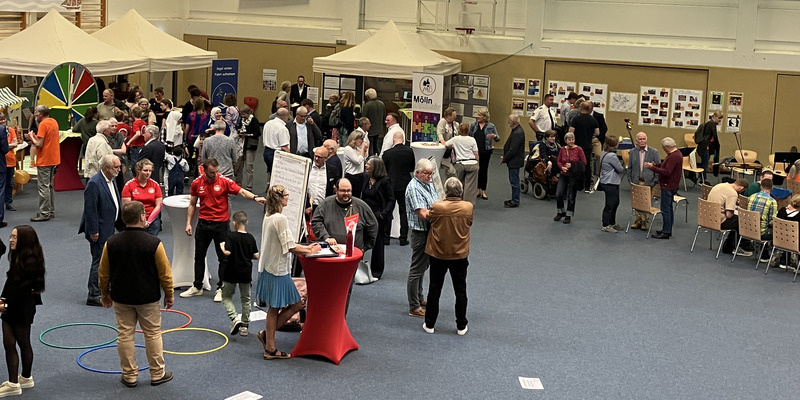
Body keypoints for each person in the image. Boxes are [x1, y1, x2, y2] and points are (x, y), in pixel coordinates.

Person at [99, 201, 174, 388]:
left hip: (121, 296)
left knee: (125, 335)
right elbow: (165, 273)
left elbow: (103, 272)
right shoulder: (154, 243)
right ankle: (157, 373)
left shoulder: (111, 242)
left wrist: (104, 293)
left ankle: (129, 375)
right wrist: (169, 293)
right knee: (153, 334)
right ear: (142, 217)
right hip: (147, 297)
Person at [181, 158, 266, 302]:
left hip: (221, 225)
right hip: (203, 224)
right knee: (199, 256)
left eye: (217, 171)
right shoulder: (197, 183)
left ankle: (221, 288)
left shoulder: (224, 181)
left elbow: (241, 192)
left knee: (224, 258)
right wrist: (188, 223)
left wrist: (255, 198)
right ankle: (197, 287)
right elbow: (192, 204)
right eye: (212, 172)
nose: (215, 175)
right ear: (204, 170)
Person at [257, 185, 320, 360]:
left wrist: (307, 248)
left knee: (274, 307)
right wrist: (310, 251)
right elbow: (290, 246)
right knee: (297, 305)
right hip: (278, 270)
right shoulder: (280, 218)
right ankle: (269, 346)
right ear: (279, 198)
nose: (288, 198)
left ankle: (268, 340)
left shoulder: (268, 216)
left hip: (269, 268)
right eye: (286, 195)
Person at [312, 178, 378, 310]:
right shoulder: (326, 204)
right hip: (330, 255)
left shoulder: (361, 206)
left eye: (349, 191)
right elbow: (316, 222)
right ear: (335, 190)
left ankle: (341, 317)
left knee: (345, 289)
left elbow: (373, 226)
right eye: (343, 191)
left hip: (350, 257)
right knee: (327, 286)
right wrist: (326, 236)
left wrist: (365, 247)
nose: (346, 194)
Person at [422, 177, 473, 336]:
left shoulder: (437, 207)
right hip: (459, 255)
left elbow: (429, 219)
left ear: (445, 191)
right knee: (460, 290)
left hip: (438, 254)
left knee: (434, 288)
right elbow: (469, 223)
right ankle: (461, 325)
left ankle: (429, 324)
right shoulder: (468, 207)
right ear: (461, 191)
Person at [0, 226, 44, 397]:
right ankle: (24, 378)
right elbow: (11, 286)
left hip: (20, 309)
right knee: (13, 343)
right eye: (11, 236)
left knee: (16, 343)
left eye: (15, 237)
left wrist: (5, 306)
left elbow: (21, 294)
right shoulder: (20, 257)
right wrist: (3, 299)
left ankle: (14, 383)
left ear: (24, 240)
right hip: (17, 306)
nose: (11, 240)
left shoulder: (29, 265)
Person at [79, 155, 122, 307]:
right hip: (99, 231)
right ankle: (94, 294)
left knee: (107, 261)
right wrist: (94, 231)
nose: (118, 169)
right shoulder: (94, 183)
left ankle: (104, 290)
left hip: (110, 227)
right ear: (106, 168)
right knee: (98, 261)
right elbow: (90, 210)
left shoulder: (112, 179)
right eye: (115, 167)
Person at [405, 159, 437, 317]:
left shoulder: (428, 184)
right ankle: (414, 306)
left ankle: (419, 297)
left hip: (429, 231)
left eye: (431, 173)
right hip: (420, 233)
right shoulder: (414, 188)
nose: (429, 176)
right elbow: (423, 214)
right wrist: (442, 213)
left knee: (423, 267)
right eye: (425, 173)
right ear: (417, 173)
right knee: (416, 269)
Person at [219, 211, 258, 337]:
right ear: (246, 222)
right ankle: (245, 326)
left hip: (231, 272)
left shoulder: (231, 236)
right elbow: (256, 255)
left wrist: (222, 247)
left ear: (234, 223)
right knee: (245, 299)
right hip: (245, 273)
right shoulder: (250, 238)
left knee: (226, 297)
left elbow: (228, 253)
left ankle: (234, 318)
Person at [360, 157, 394, 280]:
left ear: (375, 167)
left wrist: (383, 214)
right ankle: (357, 268)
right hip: (364, 215)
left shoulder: (385, 181)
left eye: (368, 164)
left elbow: (391, 199)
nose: (366, 165)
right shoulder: (366, 178)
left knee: (378, 243)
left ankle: (376, 271)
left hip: (378, 216)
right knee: (360, 240)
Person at [645, 137, 684, 239]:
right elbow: (665, 165)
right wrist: (655, 165)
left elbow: (667, 171)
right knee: (669, 209)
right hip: (672, 185)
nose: (663, 149)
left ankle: (666, 231)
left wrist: (652, 168)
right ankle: (667, 229)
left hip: (668, 185)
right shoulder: (676, 154)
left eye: (663, 148)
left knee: (666, 209)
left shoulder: (673, 156)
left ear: (667, 147)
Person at [382, 131, 415, 246]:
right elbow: (412, 168)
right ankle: (403, 238)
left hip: (390, 185)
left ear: (393, 140)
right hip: (404, 185)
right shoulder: (410, 152)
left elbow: (383, 171)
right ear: (403, 140)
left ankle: (386, 238)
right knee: (404, 211)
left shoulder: (387, 153)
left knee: (388, 210)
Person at [28, 106, 59, 222]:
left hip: (45, 159)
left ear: (40, 114)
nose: (35, 114)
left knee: (43, 187)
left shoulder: (43, 124)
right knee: (49, 186)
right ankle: (50, 211)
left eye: (36, 112)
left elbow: (39, 144)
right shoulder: (53, 122)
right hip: (53, 158)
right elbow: (47, 140)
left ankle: (44, 213)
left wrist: (32, 137)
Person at [708, 178, 751, 253]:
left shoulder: (720, 185)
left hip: (708, 217)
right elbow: (728, 215)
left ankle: (731, 245)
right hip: (719, 221)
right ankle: (731, 247)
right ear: (741, 188)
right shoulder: (732, 193)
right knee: (742, 221)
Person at [628, 132, 660, 231]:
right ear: (637, 141)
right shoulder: (633, 152)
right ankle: (637, 220)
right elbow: (630, 167)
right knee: (637, 202)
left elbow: (658, 167)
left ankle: (644, 222)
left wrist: (655, 180)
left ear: (646, 140)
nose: (642, 141)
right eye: (640, 139)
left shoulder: (654, 152)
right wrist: (630, 179)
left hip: (649, 182)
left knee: (646, 202)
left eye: (644, 139)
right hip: (636, 181)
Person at [122, 159, 163, 236]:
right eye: (145, 170)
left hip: (152, 221)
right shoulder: (129, 185)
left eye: (150, 171)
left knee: (151, 245)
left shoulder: (155, 185)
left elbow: (159, 205)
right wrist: (140, 221)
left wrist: (148, 221)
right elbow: (127, 207)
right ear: (138, 170)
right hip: (135, 221)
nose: (148, 173)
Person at [441, 122, 479, 205]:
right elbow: (476, 153)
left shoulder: (455, 139)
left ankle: (458, 201)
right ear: (468, 131)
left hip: (460, 164)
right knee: (471, 185)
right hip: (472, 163)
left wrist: (454, 147)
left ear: (459, 130)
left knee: (459, 183)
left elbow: (445, 144)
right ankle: (468, 204)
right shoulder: (472, 139)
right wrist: (478, 163)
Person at [554, 132, 586, 224]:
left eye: (573, 139)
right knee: (559, 194)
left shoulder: (579, 149)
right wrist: (562, 167)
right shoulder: (562, 149)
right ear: (565, 141)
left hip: (573, 176)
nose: (571, 141)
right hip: (563, 174)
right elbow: (559, 160)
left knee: (571, 196)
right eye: (569, 140)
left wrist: (572, 165)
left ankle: (569, 215)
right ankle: (560, 212)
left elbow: (584, 162)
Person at [568, 101, 600, 192]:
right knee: (586, 165)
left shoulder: (576, 119)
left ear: (581, 108)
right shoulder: (593, 119)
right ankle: (587, 186)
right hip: (588, 145)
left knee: (575, 164)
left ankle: (578, 185)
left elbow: (571, 132)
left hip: (577, 146)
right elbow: (597, 133)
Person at [469, 109, 499, 200]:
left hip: (486, 151)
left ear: (485, 117)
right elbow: (470, 138)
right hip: (475, 152)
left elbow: (498, 138)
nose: (478, 116)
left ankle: (483, 190)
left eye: (480, 115)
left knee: (484, 171)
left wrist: (494, 137)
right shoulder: (473, 125)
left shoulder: (491, 126)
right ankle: (477, 190)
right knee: (476, 170)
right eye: (478, 115)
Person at [598, 136, 625, 233]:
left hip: (606, 181)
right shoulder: (612, 156)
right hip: (610, 182)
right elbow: (620, 169)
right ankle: (605, 225)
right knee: (610, 204)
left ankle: (612, 223)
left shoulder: (604, 152)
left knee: (615, 202)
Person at [747, 178, 777, 262]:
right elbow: (772, 222)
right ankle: (768, 255)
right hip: (761, 233)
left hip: (747, 229)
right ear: (772, 188)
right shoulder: (772, 201)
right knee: (781, 231)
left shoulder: (751, 197)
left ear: (761, 186)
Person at [501, 114, 525, 208]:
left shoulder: (517, 132)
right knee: (513, 180)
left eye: (509, 121)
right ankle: (514, 199)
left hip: (515, 160)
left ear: (513, 122)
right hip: (514, 160)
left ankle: (515, 200)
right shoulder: (516, 130)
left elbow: (513, 149)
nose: (508, 122)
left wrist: (505, 158)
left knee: (514, 181)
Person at [262, 108, 291, 184]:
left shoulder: (267, 123)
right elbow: (284, 147)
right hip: (276, 154)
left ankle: (270, 188)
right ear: (285, 116)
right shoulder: (282, 128)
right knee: (278, 177)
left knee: (270, 172)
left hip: (266, 152)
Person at [694, 111, 723, 181]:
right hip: (705, 147)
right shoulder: (711, 124)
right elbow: (714, 137)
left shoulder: (709, 124)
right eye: (719, 119)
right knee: (704, 164)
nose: (719, 121)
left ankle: (703, 178)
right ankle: (703, 179)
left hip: (705, 147)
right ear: (714, 117)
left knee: (704, 163)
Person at [237, 105, 261, 191]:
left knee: (249, 166)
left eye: (244, 114)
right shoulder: (241, 120)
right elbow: (238, 128)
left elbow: (258, 133)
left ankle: (249, 186)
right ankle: (238, 183)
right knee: (239, 166)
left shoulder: (254, 120)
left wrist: (248, 135)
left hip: (250, 145)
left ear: (248, 113)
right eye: (241, 114)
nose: (242, 116)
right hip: (241, 145)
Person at [343, 130, 368, 199]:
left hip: (360, 176)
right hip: (352, 177)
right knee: (353, 197)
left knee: (358, 197)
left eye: (362, 139)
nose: (361, 141)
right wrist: (363, 149)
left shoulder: (357, 149)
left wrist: (364, 150)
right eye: (360, 139)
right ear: (354, 139)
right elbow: (358, 161)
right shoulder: (348, 149)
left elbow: (364, 157)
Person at [362, 88, 385, 155]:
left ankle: (371, 158)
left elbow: (364, 117)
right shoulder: (382, 104)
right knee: (377, 145)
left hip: (370, 129)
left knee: (370, 146)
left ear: (368, 97)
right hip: (379, 129)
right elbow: (384, 116)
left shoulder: (368, 105)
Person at [437, 107, 458, 179]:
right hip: (443, 149)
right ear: (448, 115)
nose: (455, 116)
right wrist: (443, 142)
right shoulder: (442, 122)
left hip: (451, 150)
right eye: (454, 115)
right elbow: (440, 133)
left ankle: (446, 186)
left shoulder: (455, 124)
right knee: (437, 169)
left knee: (451, 171)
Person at [1, 114, 17, 212]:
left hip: (10, 160)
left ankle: (8, 202)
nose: (2, 122)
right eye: (0, 120)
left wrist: (6, 145)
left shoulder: (10, 130)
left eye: (4, 120)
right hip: (2, 161)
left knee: (9, 183)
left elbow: (15, 143)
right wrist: (9, 145)